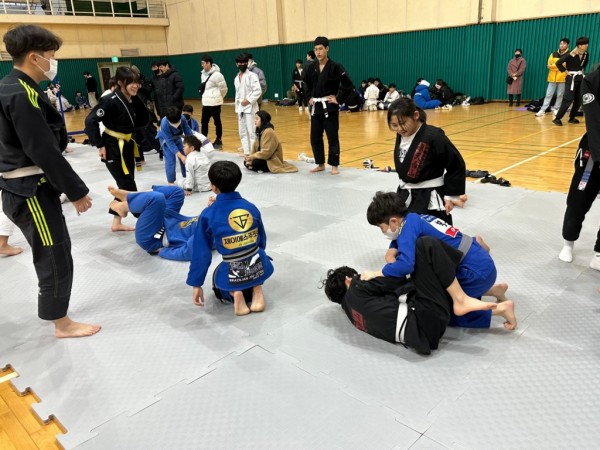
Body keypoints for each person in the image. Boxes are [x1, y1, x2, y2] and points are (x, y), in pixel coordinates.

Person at [0, 24, 99, 338]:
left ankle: (59, 317)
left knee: (54, 249)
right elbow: (41, 148)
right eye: (51, 55)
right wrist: (76, 191)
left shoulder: (9, 87)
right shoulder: (22, 93)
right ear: (34, 57)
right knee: (54, 252)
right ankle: (61, 322)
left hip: (21, 186)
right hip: (30, 190)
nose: (53, 62)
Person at [324, 237, 516, 355]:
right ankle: (471, 256)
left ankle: (498, 305)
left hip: (423, 337)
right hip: (424, 317)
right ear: (348, 279)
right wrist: (379, 272)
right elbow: (397, 279)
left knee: (433, 294)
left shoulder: (352, 313)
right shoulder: (356, 285)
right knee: (424, 247)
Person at [363, 192, 515, 328]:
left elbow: (405, 265)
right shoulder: (415, 217)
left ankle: (501, 309)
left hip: (475, 275)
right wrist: (393, 247)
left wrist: (378, 272)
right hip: (483, 264)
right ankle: (493, 290)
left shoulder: (407, 228)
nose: (383, 232)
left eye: (381, 227)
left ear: (393, 222)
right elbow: (405, 237)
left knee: (436, 311)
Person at [187, 161, 274, 316]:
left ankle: (234, 294)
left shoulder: (208, 214)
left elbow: (201, 252)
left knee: (218, 282)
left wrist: (196, 283)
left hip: (233, 267)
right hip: (259, 264)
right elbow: (262, 240)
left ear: (213, 187)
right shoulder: (250, 206)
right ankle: (257, 288)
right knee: (254, 260)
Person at [85, 66, 150, 232]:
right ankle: (146, 222)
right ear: (120, 83)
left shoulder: (132, 99)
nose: (135, 86)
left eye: (137, 82)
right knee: (128, 186)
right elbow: (90, 121)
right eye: (131, 83)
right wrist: (99, 144)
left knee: (124, 184)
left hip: (126, 144)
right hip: (113, 147)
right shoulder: (110, 100)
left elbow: (142, 119)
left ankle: (116, 222)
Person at [387, 97, 466, 224]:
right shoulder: (401, 135)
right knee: (406, 231)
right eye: (394, 125)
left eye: (403, 123)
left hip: (429, 197)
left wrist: (451, 195)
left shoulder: (433, 136)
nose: (400, 129)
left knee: (431, 233)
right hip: (406, 194)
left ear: (416, 115)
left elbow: (456, 164)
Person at [558, 64, 600, 270]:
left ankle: (599, 252)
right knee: (578, 200)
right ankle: (568, 242)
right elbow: (593, 118)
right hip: (593, 151)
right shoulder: (592, 80)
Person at [107, 185, 201, 261]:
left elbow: (188, 252)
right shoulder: (210, 216)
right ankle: (130, 196)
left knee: (156, 198)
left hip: (155, 237)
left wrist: (162, 251)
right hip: (170, 220)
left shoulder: (208, 233)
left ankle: (124, 206)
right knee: (177, 192)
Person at [304, 36, 354, 175]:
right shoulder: (311, 67)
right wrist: (309, 98)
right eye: (316, 49)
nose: (318, 52)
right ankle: (320, 164)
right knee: (315, 138)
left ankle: (334, 165)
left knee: (332, 137)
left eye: (321, 49)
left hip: (329, 107)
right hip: (316, 107)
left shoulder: (335, 66)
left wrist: (338, 98)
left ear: (327, 49)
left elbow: (348, 84)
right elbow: (306, 84)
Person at [553, 36, 589, 126]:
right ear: (579, 45)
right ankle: (557, 118)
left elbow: (584, 64)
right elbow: (558, 63)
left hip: (580, 78)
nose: (587, 45)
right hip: (571, 78)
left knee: (578, 99)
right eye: (585, 44)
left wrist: (580, 71)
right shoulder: (571, 54)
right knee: (568, 99)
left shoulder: (586, 54)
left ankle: (572, 117)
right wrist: (565, 71)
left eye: (587, 43)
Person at [156, 106, 193, 184]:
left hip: (177, 137)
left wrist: (191, 146)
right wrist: (181, 156)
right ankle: (171, 181)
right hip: (166, 141)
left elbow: (188, 132)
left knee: (185, 157)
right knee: (171, 161)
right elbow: (170, 143)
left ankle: (186, 177)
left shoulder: (182, 118)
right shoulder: (164, 124)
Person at [234, 53, 262, 156]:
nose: (242, 65)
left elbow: (258, 91)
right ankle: (246, 152)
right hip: (241, 108)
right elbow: (237, 95)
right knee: (242, 132)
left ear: (247, 63)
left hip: (251, 108)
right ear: (237, 64)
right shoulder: (236, 78)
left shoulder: (252, 76)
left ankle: (253, 152)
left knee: (252, 132)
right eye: (240, 63)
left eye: (244, 63)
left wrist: (249, 100)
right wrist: (237, 110)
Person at [535, 38, 569, 117]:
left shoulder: (569, 54)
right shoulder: (553, 54)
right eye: (561, 43)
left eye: (564, 44)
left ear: (567, 45)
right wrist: (559, 66)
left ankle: (556, 109)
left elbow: (565, 65)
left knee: (560, 95)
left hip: (562, 78)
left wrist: (554, 66)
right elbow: (549, 65)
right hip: (552, 78)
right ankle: (543, 110)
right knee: (548, 94)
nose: (562, 45)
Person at [200, 54, 228, 149]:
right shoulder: (203, 74)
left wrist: (218, 97)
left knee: (217, 122)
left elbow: (224, 89)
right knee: (204, 121)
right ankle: (204, 139)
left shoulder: (218, 75)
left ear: (209, 63)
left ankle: (218, 140)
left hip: (215, 103)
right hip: (206, 102)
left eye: (203, 63)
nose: (202, 65)